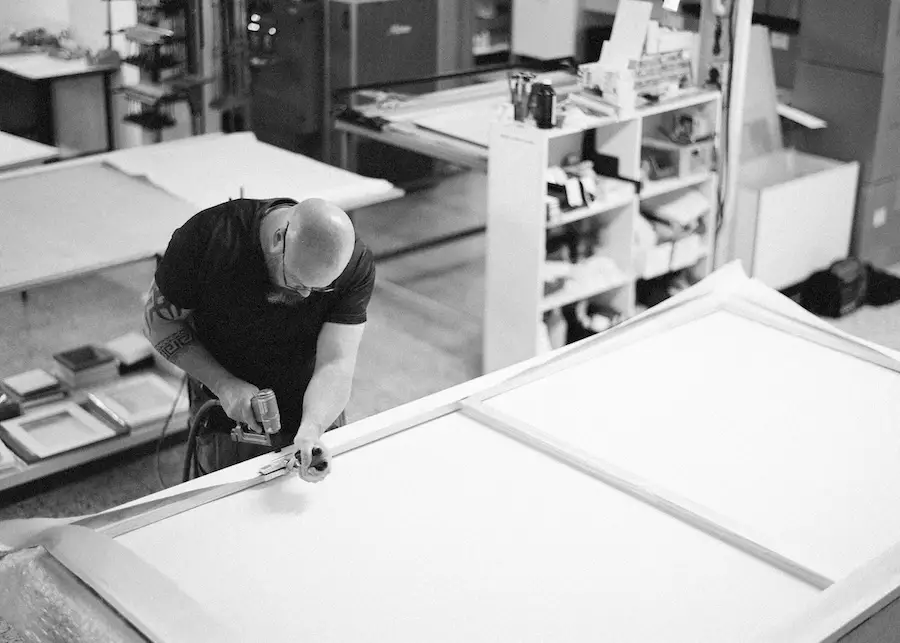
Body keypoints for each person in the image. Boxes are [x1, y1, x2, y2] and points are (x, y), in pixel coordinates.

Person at [142, 197, 374, 482]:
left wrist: (312, 428)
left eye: (319, 289)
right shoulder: (210, 239)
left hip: (317, 406)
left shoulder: (354, 263)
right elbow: (158, 323)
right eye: (297, 282)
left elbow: (336, 363)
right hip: (228, 417)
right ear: (278, 240)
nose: (304, 296)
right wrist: (224, 385)